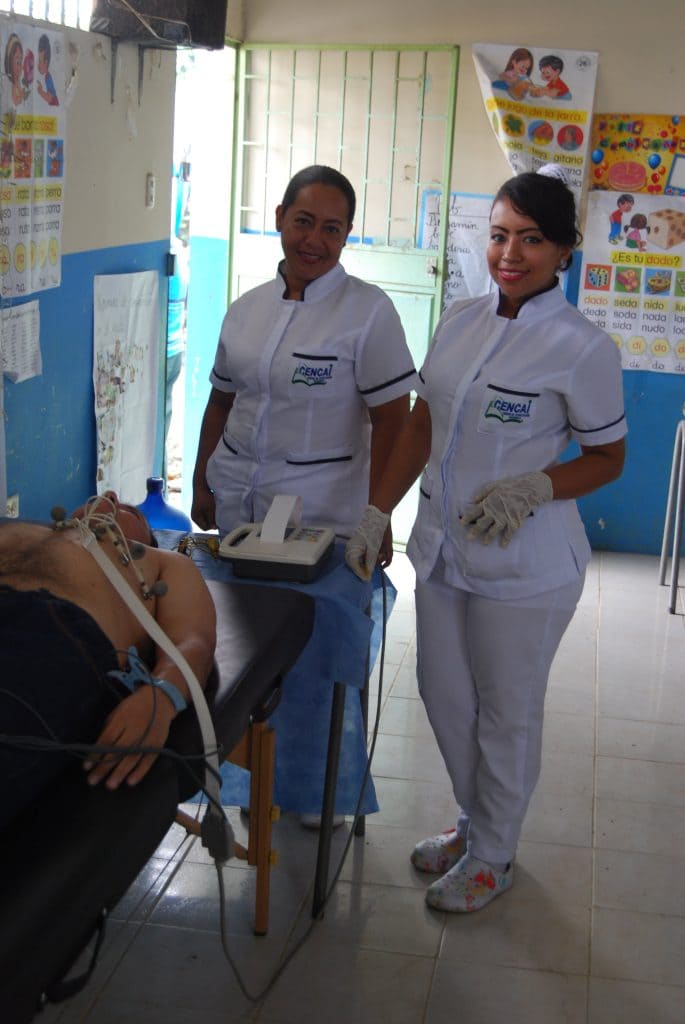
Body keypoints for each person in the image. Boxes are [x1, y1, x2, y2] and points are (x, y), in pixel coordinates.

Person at [346, 169, 626, 912]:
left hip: (526, 564)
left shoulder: (581, 347)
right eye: (500, 236)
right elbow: (423, 423)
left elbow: (607, 457)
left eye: (530, 240)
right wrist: (377, 511)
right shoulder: (459, 320)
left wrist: (535, 485)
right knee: (444, 696)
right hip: (443, 547)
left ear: (562, 250)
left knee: (506, 711)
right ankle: (476, 822)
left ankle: (493, 854)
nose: (510, 254)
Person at [191, 164, 417, 557]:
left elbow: (392, 422)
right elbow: (221, 403)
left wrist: (378, 515)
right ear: (280, 217)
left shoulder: (369, 313)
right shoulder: (246, 310)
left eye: (331, 229)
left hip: (322, 520)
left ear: (346, 235)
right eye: (303, 222)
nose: (314, 240)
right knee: (231, 597)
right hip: (236, 505)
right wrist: (200, 482)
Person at [0, 492, 216, 828]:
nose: (112, 496)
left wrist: (161, 696)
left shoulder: (160, 562)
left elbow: (193, 641)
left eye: (132, 511)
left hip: (49, 630)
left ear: (144, 537)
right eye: (101, 496)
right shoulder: (24, 530)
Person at [36, 33, 58, 106]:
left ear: (46, 63)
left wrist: (40, 91)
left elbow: (50, 98)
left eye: (40, 61)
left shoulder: (48, 78)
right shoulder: (47, 76)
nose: (38, 65)